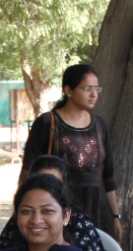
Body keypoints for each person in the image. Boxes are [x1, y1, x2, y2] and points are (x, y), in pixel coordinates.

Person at [20, 64, 123, 238]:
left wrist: (115, 217)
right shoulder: (47, 123)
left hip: (98, 214)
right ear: (68, 90)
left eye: (97, 89)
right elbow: (28, 171)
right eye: (87, 89)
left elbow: (108, 177)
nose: (93, 94)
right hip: (58, 210)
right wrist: (23, 209)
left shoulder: (100, 126)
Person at [0, 154, 108, 251]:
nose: (36, 220)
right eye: (27, 211)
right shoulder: (17, 224)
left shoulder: (80, 224)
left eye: (47, 211)